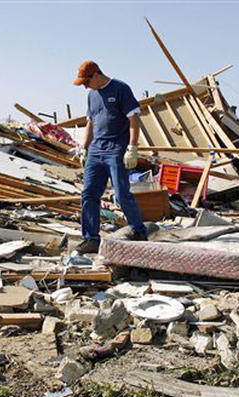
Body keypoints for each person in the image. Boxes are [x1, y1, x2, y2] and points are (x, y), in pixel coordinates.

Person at [73, 60, 147, 254]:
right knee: (89, 194)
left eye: (86, 82)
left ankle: (139, 231)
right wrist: (84, 148)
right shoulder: (91, 95)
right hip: (96, 151)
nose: (85, 87)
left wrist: (132, 147)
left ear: (96, 75)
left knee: (122, 194)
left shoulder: (120, 89)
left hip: (116, 149)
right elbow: (90, 122)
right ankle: (91, 239)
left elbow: (134, 119)